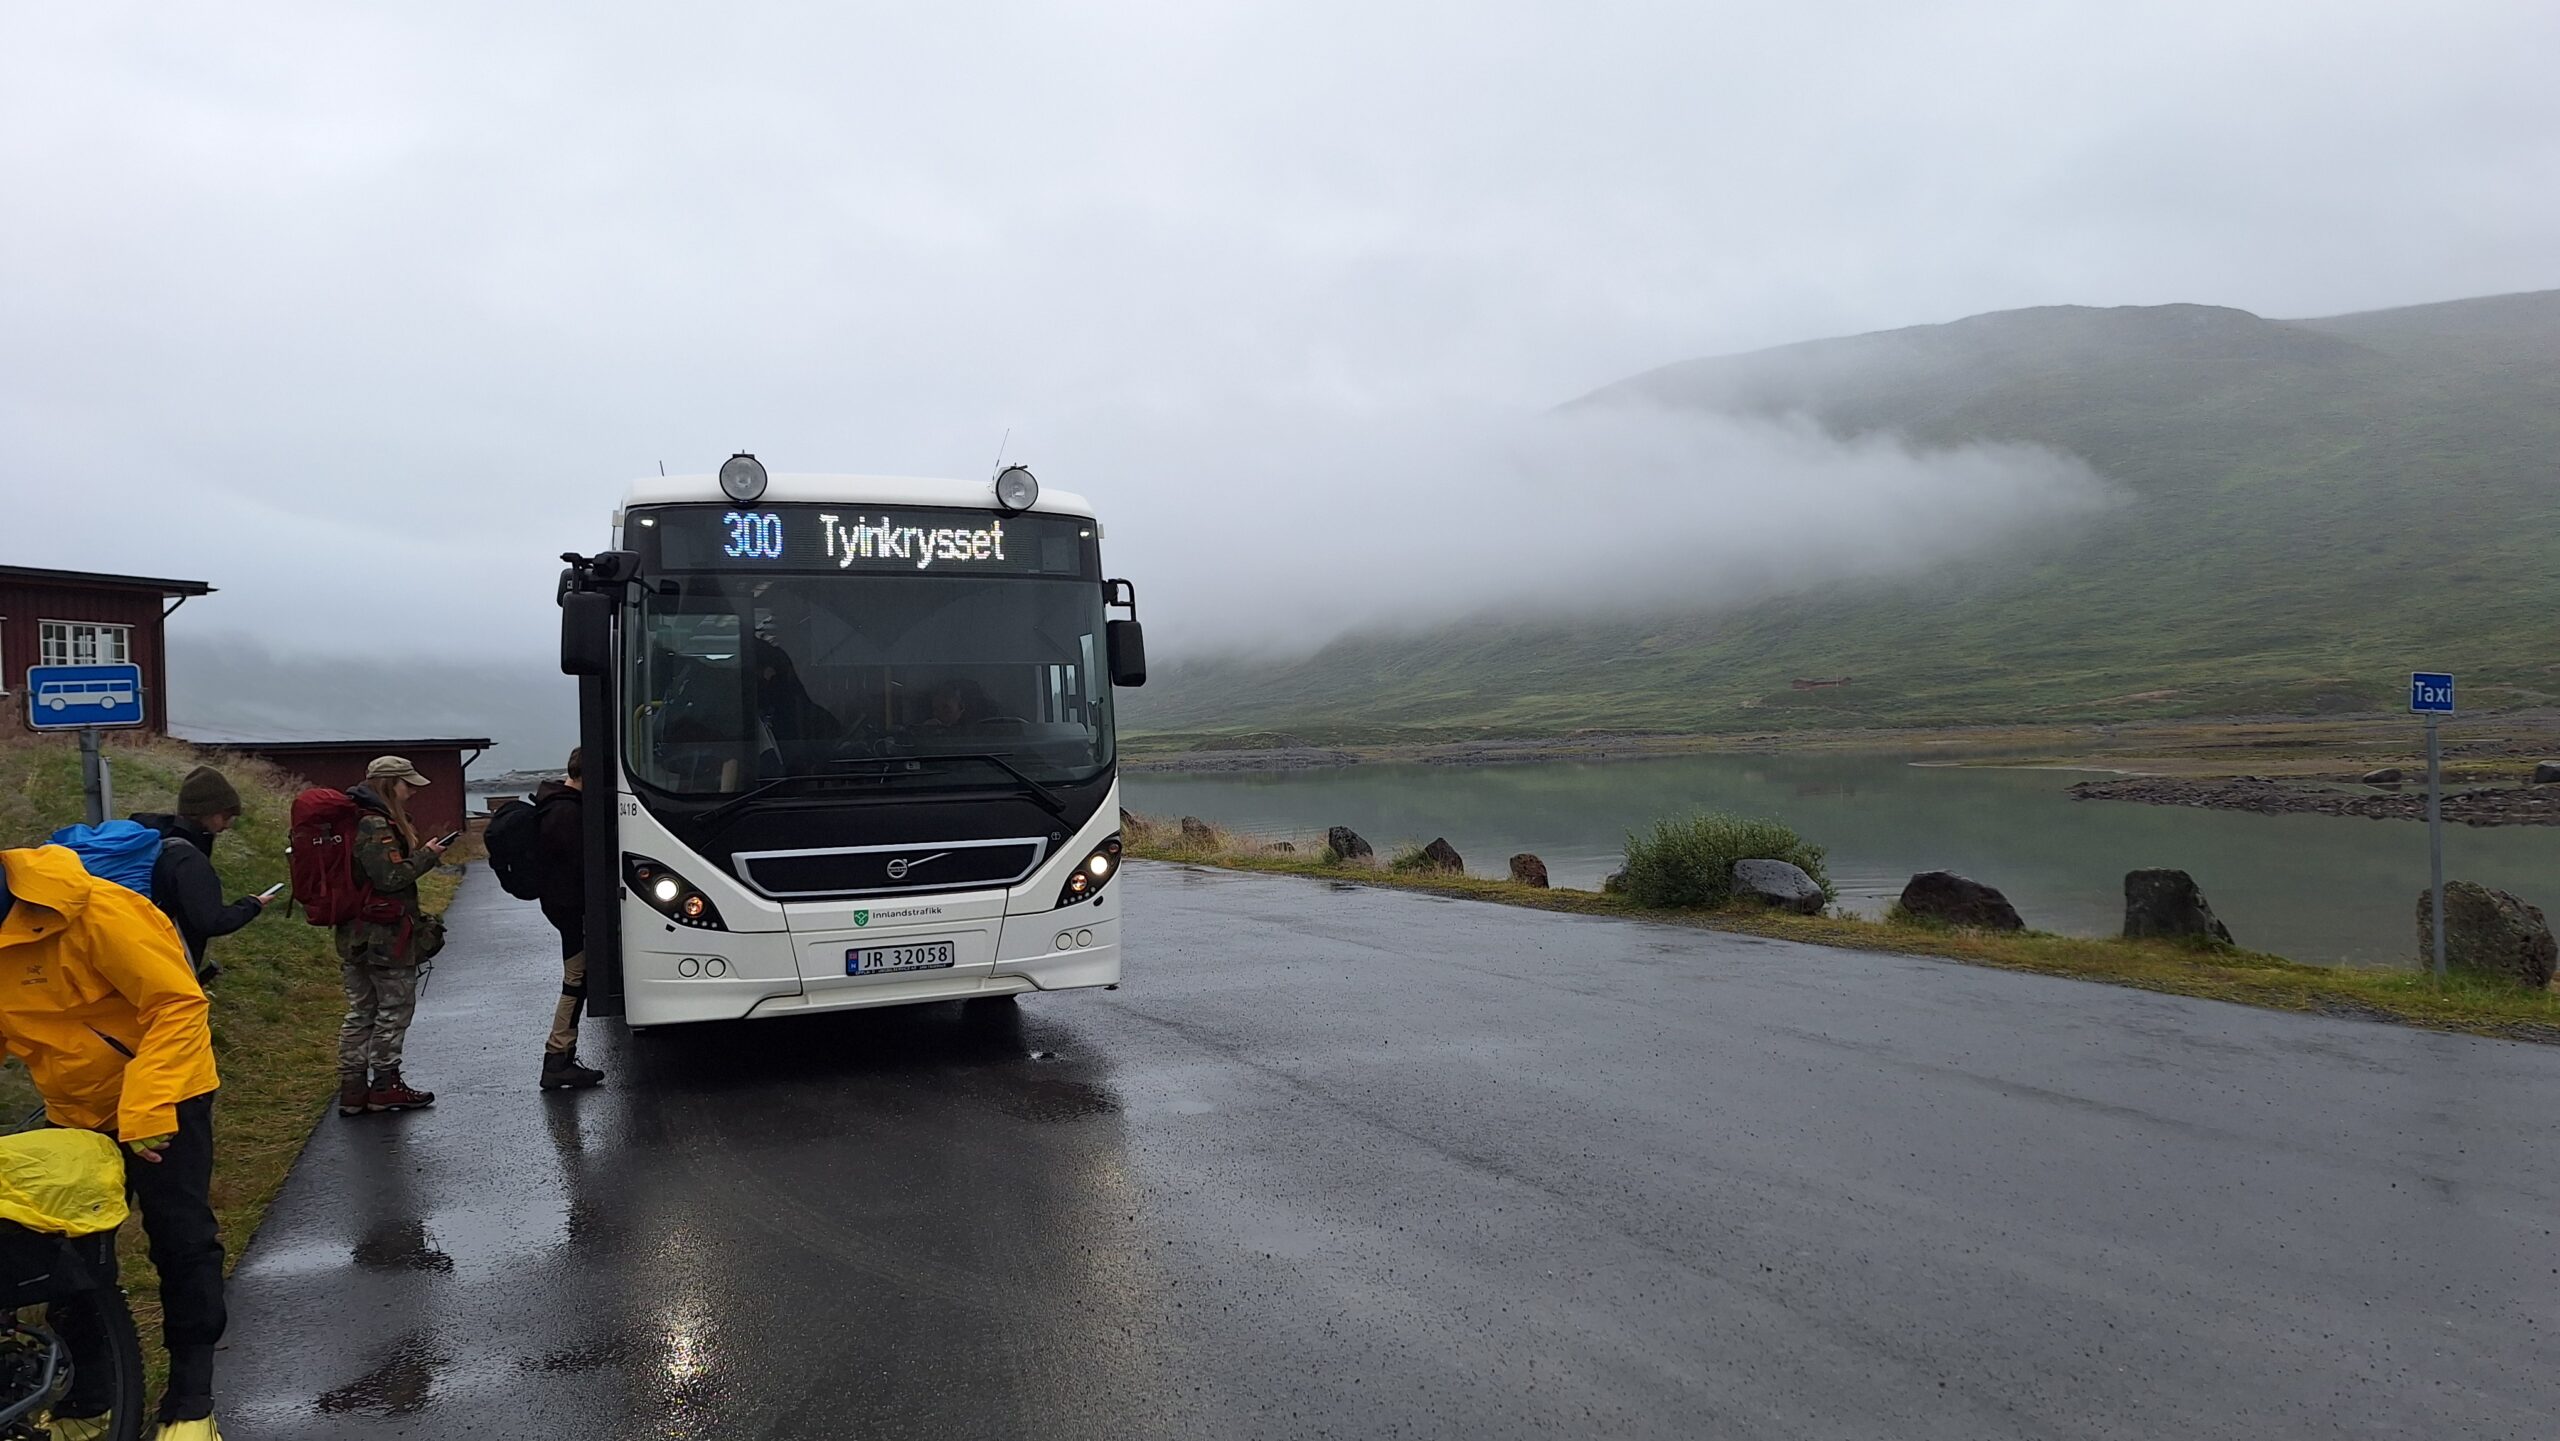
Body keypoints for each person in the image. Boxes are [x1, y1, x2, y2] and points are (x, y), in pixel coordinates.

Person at [0, 844, 230, 1439]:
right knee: (62, 1246)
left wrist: (150, 1103)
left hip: (164, 1087)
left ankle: (191, 1401)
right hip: (74, 1102)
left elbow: (177, 1005)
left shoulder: (97, 911)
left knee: (180, 1238)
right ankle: (94, 1393)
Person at [336, 757, 449, 1117]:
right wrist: (427, 857)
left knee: (361, 1011)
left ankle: (353, 1090)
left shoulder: (354, 820)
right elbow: (390, 878)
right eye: (406, 785)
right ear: (389, 785)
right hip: (384, 938)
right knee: (393, 1010)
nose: (411, 792)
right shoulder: (374, 825)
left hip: (355, 935)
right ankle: (385, 1086)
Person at [131, 766, 273, 982]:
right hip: (166, 965)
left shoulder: (155, 840)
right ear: (208, 812)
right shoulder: (188, 859)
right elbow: (211, 921)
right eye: (226, 815)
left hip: (135, 953)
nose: (228, 824)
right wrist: (252, 904)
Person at [535, 749, 603, 1090]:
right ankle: (558, 1056)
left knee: (577, 978)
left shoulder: (553, 803)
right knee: (576, 981)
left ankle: (561, 1055)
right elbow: (579, 866)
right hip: (571, 908)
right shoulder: (566, 812)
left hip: (561, 906)